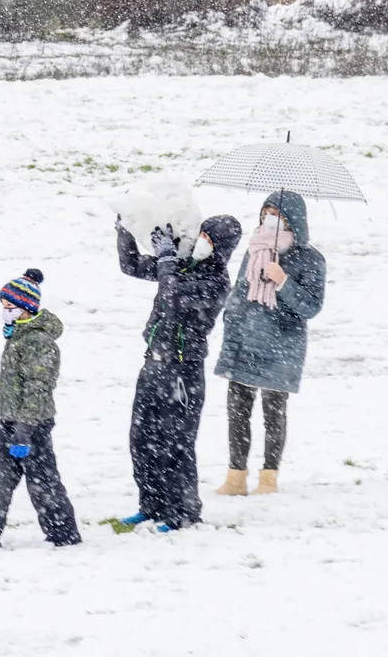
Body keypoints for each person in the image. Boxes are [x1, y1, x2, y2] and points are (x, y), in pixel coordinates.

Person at [114, 212, 242, 532]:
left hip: (183, 371)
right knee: (142, 439)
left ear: (222, 248)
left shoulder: (215, 282)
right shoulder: (185, 265)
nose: (202, 241)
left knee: (176, 444)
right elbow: (130, 265)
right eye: (202, 234)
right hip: (154, 363)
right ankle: (151, 504)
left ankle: (182, 511)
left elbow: (172, 300)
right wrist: (126, 230)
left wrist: (167, 259)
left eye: (209, 239)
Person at [215, 191, 327, 497]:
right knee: (237, 412)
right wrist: (231, 331)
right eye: (265, 214)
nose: (269, 221)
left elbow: (312, 307)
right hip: (245, 343)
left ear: (293, 221)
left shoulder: (310, 259)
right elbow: (239, 295)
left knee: (273, 413)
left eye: (276, 216)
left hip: (282, 347)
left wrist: (284, 282)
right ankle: (235, 477)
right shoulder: (255, 251)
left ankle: (268, 479)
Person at [0, 270, 81, 548]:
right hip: (11, 422)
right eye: (3, 307)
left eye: (9, 307)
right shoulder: (20, 335)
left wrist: (25, 430)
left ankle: (64, 534)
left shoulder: (38, 342)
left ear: (26, 309)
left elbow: (38, 388)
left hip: (32, 426)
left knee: (43, 483)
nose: (5, 312)